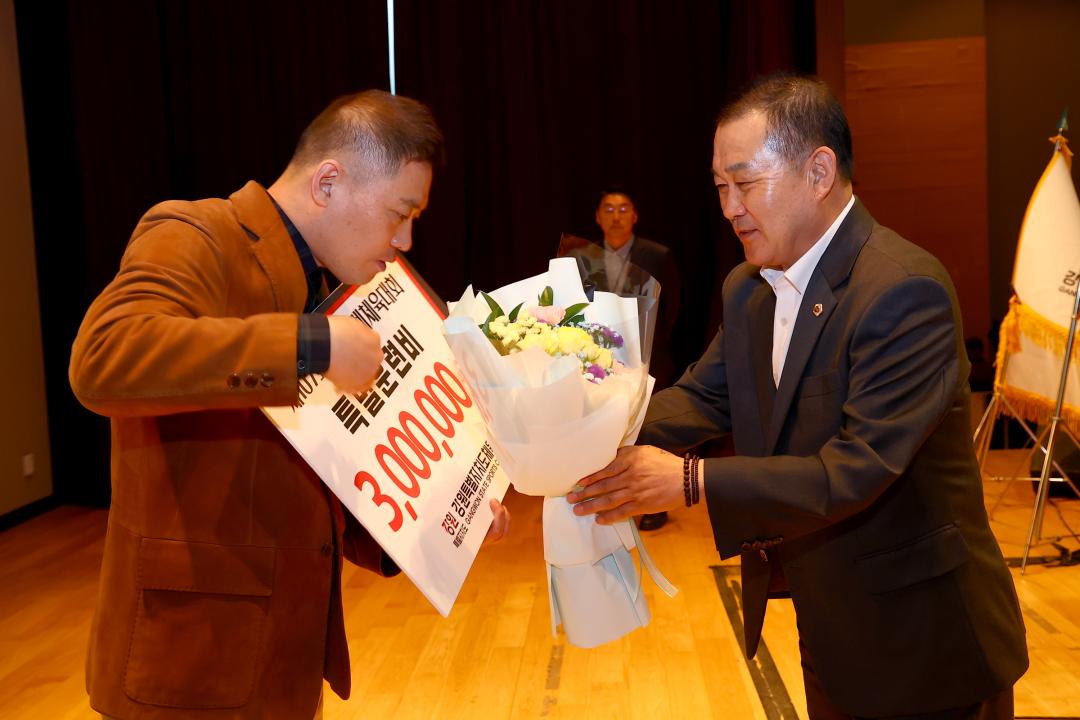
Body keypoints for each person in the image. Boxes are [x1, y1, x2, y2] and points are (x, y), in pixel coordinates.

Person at [568, 74, 1027, 719]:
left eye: (745, 183)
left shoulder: (902, 290)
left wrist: (691, 481)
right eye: (720, 187)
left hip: (928, 645)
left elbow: (857, 467)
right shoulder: (750, 289)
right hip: (831, 631)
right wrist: (574, 423)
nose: (729, 208)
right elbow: (701, 399)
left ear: (818, 172)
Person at [70, 90, 509, 720]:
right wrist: (313, 342)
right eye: (399, 213)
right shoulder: (197, 232)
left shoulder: (329, 285)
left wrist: (445, 519)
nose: (406, 239)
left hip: (281, 659)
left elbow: (317, 467)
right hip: (190, 661)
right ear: (328, 182)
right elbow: (104, 356)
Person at [590, 187, 681, 530]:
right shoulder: (582, 258)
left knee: (650, 429)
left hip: (648, 358)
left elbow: (672, 307)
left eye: (623, 209)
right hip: (601, 362)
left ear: (635, 216)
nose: (616, 216)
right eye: (608, 209)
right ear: (598, 217)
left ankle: (654, 505)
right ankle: (609, 498)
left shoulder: (658, 256)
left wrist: (649, 347)